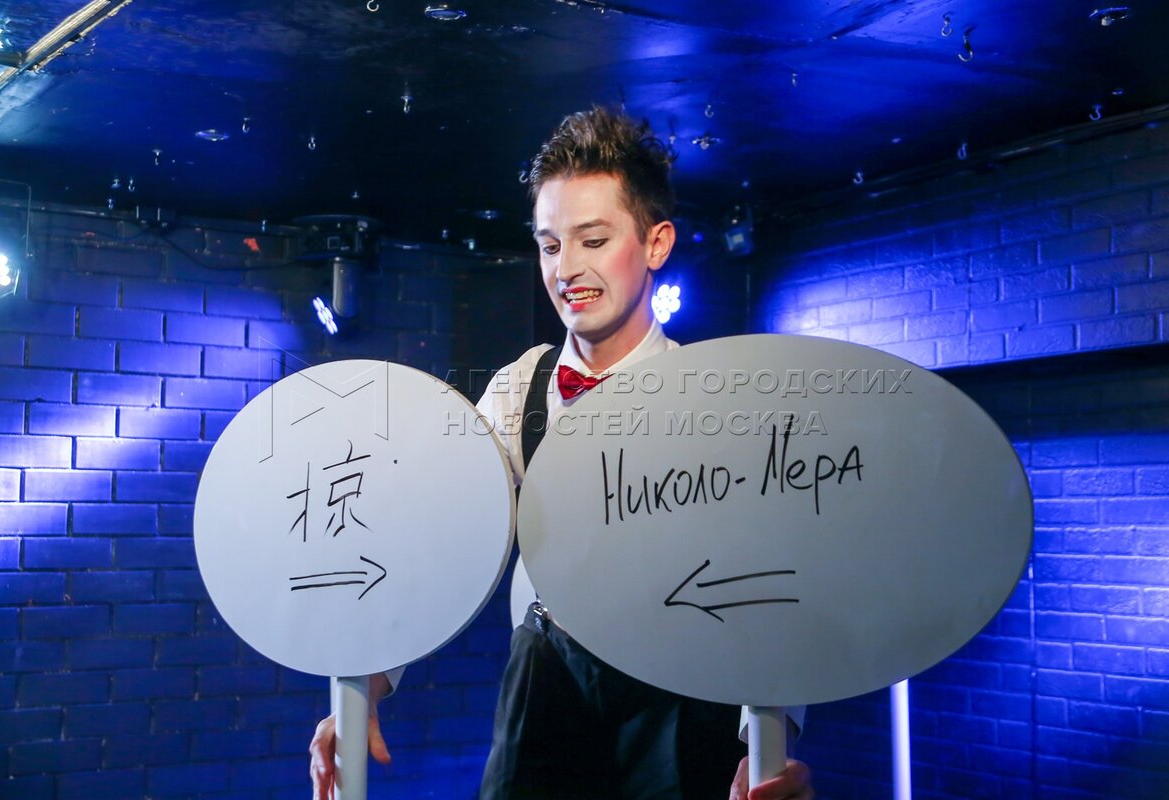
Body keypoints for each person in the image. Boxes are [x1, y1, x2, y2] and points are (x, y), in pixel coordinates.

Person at [310, 107, 813, 800]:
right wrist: (362, 689)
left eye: (594, 240)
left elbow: (765, 584)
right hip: (547, 683)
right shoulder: (520, 387)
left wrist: (770, 748)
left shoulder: (715, 400)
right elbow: (442, 544)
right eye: (549, 246)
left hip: (683, 693)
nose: (567, 269)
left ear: (657, 243)